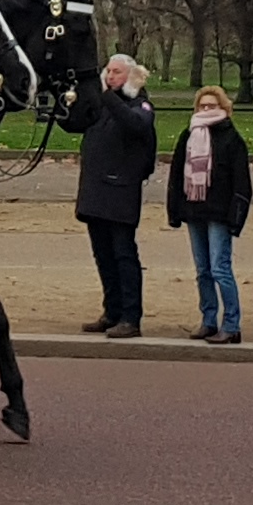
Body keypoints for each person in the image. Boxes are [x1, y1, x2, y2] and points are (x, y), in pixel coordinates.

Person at [75, 54, 158, 336]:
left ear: (131, 76)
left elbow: (136, 125)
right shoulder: (101, 106)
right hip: (95, 191)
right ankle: (111, 311)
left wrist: (108, 97)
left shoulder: (139, 104)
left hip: (121, 192)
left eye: (117, 72)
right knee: (103, 255)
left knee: (124, 255)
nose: (111, 76)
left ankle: (130, 317)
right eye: (108, 71)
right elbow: (75, 122)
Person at [163, 83, 252, 344]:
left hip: (220, 213)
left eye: (211, 106)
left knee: (220, 268)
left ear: (223, 108)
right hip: (194, 210)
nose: (206, 110)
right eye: (202, 106)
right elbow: (177, 175)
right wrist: (174, 211)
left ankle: (232, 324)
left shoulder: (231, 138)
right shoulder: (188, 136)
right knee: (202, 270)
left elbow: (241, 183)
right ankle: (208, 320)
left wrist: (237, 218)